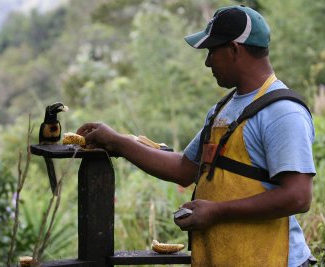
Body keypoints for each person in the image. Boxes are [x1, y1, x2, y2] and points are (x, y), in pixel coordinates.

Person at [76, 5, 316, 267]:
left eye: (212, 50)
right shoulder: (222, 110)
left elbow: (298, 196)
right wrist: (118, 141)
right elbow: (183, 169)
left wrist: (217, 211)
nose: (208, 61)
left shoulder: (282, 112)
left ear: (235, 49)